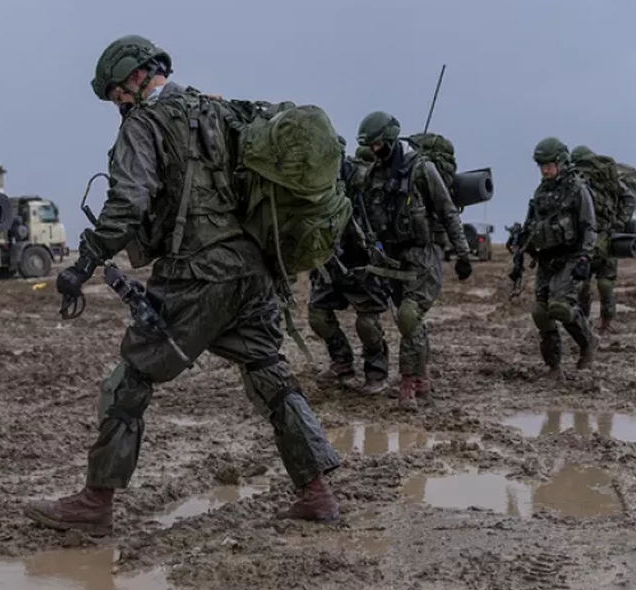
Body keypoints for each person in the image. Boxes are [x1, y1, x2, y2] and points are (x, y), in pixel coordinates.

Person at [25, 35, 343, 534]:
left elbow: (128, 202)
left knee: (129, 380)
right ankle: (317, 493)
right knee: (267, 372)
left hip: (198, 275)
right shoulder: (222, 112)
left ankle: (95, 503)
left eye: (115, 94)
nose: (117, 105)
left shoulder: (145, 124)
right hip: (251, 272)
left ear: (134, 76)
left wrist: (83, 264)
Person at [355, 111, 473, 406]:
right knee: (407, 319)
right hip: (392, 258)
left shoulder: (421, 169)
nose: (375, 150)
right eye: (371, 145)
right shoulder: (372, 177)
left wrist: (462, 253)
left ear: (392, 140)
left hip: (423, 254)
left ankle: (409, 382)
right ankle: (422, 380)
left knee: (409, 316)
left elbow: (447, 212)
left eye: (379, 144)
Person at [307, 138, 392, 394]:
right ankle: (342, 362)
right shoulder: (315, 181)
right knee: (318, 315)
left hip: (361, 263)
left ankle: (376, 372)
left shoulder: (360, 179)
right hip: (330, 261)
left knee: (367, 323)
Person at [510, 137, 597, 379]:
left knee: (560, 306)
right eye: (541, 166)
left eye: (549, 165)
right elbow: (531, 226)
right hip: (546, 259)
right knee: (541, 312)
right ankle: (554, 366)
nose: (545, 170)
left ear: (561, 162)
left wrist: (585, 258)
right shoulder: (541, 193)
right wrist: (518, 252)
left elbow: (589, 227)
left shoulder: (578, 190)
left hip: (570, 257)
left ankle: (588, 342)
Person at [570, 144, 627, 335]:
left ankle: (583, 322)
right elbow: (627, 196)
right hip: (608, 236)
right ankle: (606, 323)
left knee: (583, 283)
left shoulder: (576, 179)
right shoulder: (609, 176)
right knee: (605, 282)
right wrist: (619, 222)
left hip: (586, 239)